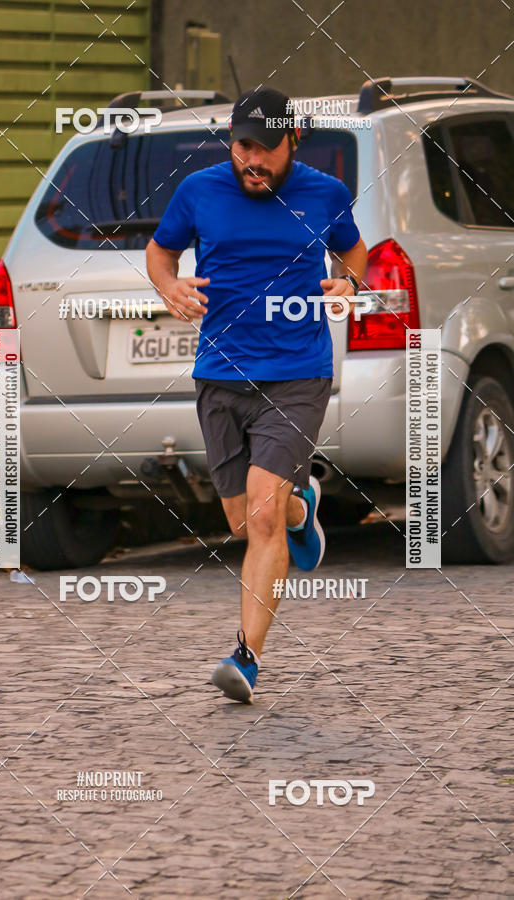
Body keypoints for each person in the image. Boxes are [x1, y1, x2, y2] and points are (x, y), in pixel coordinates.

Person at [146, 86, 367, 704]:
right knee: (246, 521)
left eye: (266, 149)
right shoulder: (200, 191)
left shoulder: (324, 193)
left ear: (292, 142)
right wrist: (169, 286)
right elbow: (161, 249)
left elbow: (354, 249)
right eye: (243, 145)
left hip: (297, 372)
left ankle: (245, 659)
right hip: (220, 373)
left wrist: (348, 281)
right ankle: (304, 508)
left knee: (262, 514)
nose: (253, 160)